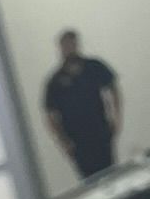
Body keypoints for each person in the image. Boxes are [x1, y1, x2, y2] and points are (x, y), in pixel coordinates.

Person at [45, 29, 121, 181]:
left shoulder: (93, 67)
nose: (69, 48)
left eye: (72, 44)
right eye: (66, 45)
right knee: (90, 181)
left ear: (77, 45)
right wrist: (63, 142)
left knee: (111, 176)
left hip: (100, 132)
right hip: (77, 141)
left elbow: (113, 89)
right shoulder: (55, 81)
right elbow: (50, 115)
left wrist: (116, 118)